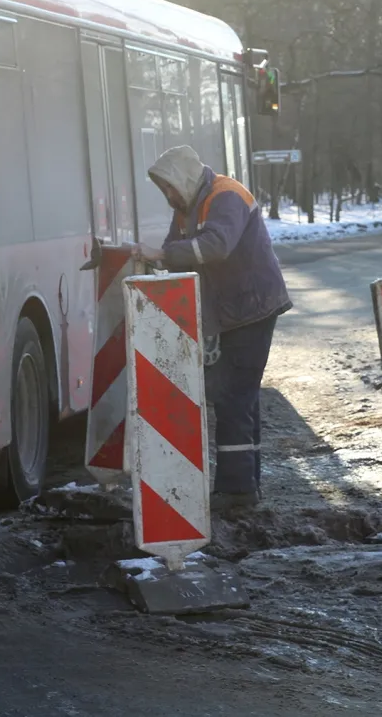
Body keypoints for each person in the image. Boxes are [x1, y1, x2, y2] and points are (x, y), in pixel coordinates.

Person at [134, 145, 292, 512]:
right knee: (240, 395)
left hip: (251, 309)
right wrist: (160, 263)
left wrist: (160, 256)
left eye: (169, 188)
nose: (168, 196)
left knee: (232, 396)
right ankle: (245, 485)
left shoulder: (226, 196)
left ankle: (237, 490)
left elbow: (216, 246)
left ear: (183, 179)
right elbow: (176, 249)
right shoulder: (189, 205)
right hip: (237, 310)